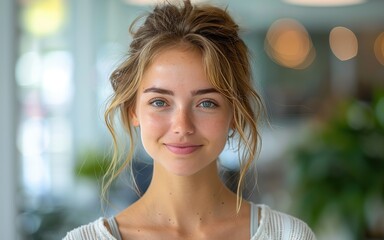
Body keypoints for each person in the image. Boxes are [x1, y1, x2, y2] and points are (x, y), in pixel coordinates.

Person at [64, 0, 316, 239]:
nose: (182, 126)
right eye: (160, 102)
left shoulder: (288, 236)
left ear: (234, 115)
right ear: (133, 110)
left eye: (206, 103)